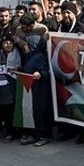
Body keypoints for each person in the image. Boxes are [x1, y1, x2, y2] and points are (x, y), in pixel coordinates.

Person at [18, 16, 53, 146]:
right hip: (30, 87)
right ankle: (35, 135)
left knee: (41, 112)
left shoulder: (39, 56)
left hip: (40, 88)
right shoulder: (28, 56)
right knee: (32, 112)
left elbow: (45, 72)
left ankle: (43, 136)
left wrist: (40, 74)